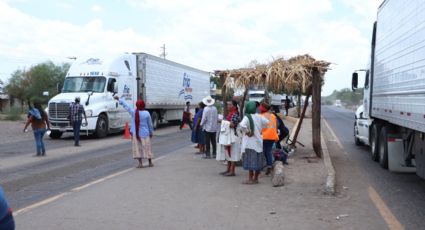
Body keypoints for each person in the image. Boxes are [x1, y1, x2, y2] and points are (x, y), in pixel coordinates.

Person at [115, 96, 154, 168]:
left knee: (138, 149)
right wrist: (151, 132)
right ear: (143, 105)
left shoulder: (134, 112)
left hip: (136, 134)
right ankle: (150, 162)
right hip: (145, 134)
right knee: (147, 148)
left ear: (136, 105)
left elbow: (127, 106)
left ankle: (140, 164)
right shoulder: (147, 113)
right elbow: (150, 124)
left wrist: (119, 99)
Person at [239, 101, 269, 184]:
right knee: (257, 161)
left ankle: (250, 179)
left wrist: (248, 132)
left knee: (250, 161)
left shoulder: (247, 117)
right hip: (258, 142)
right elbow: (267, 122)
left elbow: (242, 125)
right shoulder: (259, 116)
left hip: (249, 143)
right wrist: (259, 129)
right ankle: (256, 178)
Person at [219, 100, 241, 176]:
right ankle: (228, 170)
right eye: (227, 105)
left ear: (234, 106)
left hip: (233, 137)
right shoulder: (230, 114)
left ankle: (232, 171)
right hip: (229, 137)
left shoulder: (235, 114)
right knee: (228, 154)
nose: (228, 106)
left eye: (230, 105)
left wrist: (223, 121)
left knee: (233, 154)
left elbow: (232, 125)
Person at [259, 101, 279, 175]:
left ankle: (261, 168)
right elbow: (276, 127)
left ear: (263, 108)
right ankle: (269, 166)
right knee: (268, 152)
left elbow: (259, 128)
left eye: (261, 107)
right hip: (272, 137)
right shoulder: (273, 116)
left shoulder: (261, 116)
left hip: (264, 136)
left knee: (263, 152)